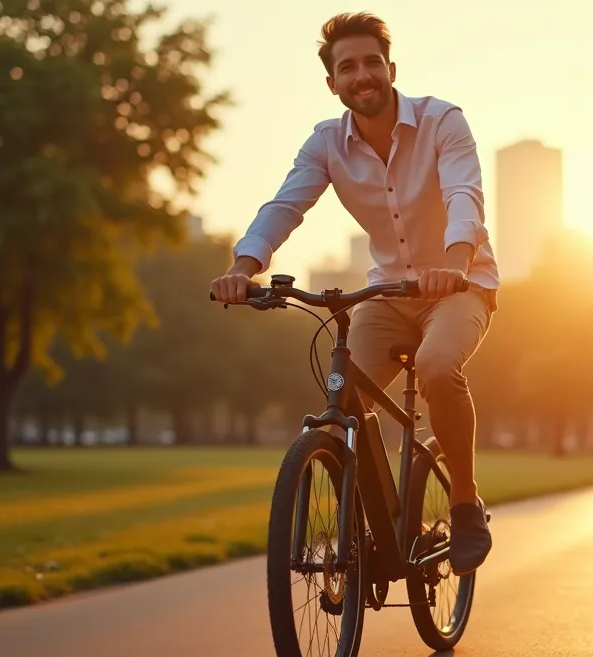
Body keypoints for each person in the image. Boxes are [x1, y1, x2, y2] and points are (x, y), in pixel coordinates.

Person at [209, 12, 498, 575]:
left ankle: (465, 504)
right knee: (337, 415)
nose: (362, 75)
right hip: (385, 297)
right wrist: (244, 269)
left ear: (390, 69)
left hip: (457, 287)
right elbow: (284, 206)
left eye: (371, 63)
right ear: (333, 83)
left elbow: (465, 194)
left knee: (439, 367)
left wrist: (454, 265)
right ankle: (368, 529)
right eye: (348, 67)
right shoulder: (324, 144)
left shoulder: (443, 122)